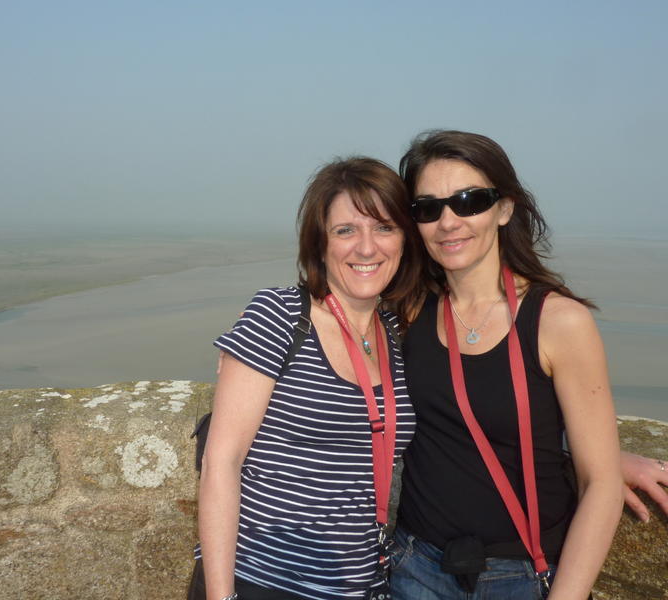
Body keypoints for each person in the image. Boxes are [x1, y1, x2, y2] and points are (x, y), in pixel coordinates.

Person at [389, 130, 624, 599]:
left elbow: (601, 482)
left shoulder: (558, 322)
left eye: (469, 201)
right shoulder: (409, 312)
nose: (448, 222)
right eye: (428, 208)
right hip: (415, 568)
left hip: (521, 575)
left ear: (504, 208)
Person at [197, 157, 425, 599]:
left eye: (384, 227)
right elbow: (221, 463)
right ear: (319, 243)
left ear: (404, 239)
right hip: (265, 581)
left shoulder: (398, 332)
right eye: (346, 230)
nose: (366, 248)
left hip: (361, 584)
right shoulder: (280, 316)